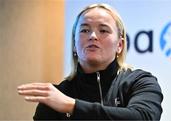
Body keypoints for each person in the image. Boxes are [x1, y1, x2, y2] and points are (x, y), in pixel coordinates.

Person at [17, 3, 163, 120]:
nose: (93, 36)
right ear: (74, 44)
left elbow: (144, 117)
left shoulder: (140, 82)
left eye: (103, 30)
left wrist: (72, 106)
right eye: (85, 30)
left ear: (120, 45)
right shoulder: (56, 96)